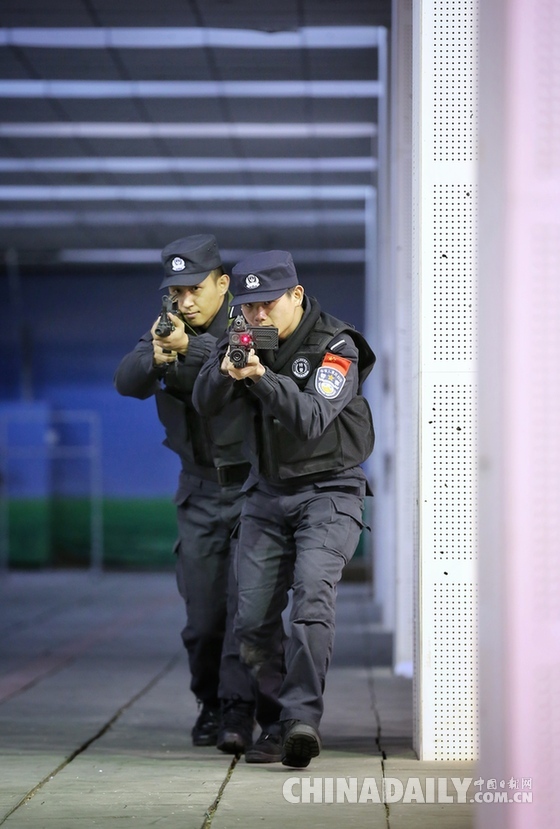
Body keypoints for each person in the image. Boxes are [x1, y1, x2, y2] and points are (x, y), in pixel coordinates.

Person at [192, 249, 375, 768]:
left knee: (311, 601)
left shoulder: (336, 344)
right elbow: (204, 403)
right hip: (267, 493)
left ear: (296, 295)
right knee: (251, 621)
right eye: (248, 306)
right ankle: (276, 722)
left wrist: (259, 377)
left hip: (330, 490)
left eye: (268, 304)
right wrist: (227, 367)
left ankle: (301, 719)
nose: (257, 315)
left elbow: (311, 417)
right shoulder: (243, 336)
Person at [114, 234, 282, 755]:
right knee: (204, 620)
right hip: (198, 490)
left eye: (195, 289)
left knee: (246, 614)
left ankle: (239, 712)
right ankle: (211, 702)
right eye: (176, 291)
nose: (185, 301)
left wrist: (191, 349)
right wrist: (157, 356)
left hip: (253, 487)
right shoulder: (168, 328)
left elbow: (249, 356)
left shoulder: (246, 322)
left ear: (222, 284)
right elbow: (126, 382)